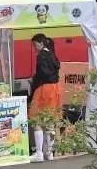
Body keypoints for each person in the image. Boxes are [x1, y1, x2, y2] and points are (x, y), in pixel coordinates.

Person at [29, 34, 62, 163]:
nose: (35, 48)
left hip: (44, 88)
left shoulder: (41, 56)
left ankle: (39, 153)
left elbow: (42, 73)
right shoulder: (52, 54)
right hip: (56, 88)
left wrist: (34, 80)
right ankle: (49, 152)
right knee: (50, 121)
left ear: (41, 43)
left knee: (35, 119)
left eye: (35, 44)